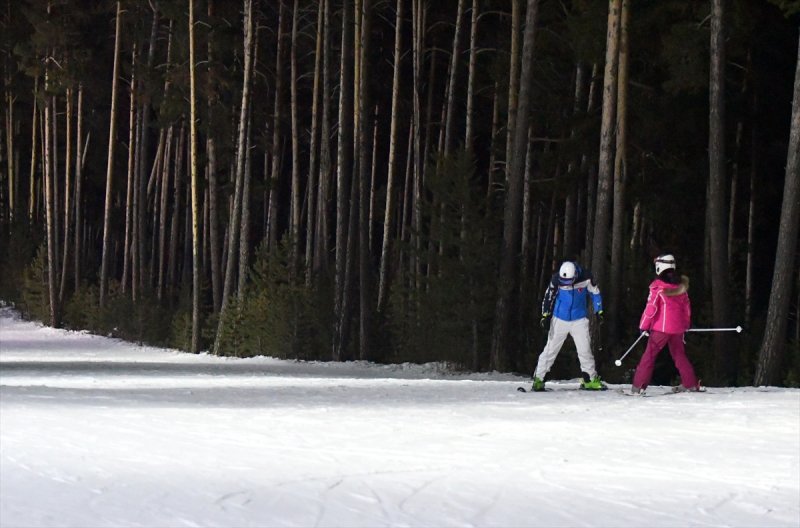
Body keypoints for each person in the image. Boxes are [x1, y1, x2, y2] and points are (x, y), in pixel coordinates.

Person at [531, 261, 605, 391]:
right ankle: (539, 379)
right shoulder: (556, 280)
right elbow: (548, 297)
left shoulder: (586, 277)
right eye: (564, 282)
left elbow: (595, 293)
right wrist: (545, 315)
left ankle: (590, 379)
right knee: (550, 349)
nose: (566, 285)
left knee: (585, 350)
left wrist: (599, 311)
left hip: (579, 320)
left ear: (575, 275)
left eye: (569, 281)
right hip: (559, 319)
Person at [631, 254, 700, 394]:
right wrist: (686, 325)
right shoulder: (680, 287)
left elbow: (651, 309)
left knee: (649, 356)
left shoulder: (658, 288)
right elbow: (687, 309)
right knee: (679, 354)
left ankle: (638, 386)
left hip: (661, 329)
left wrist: (643, 326)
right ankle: (690, 383)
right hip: (678, 329)